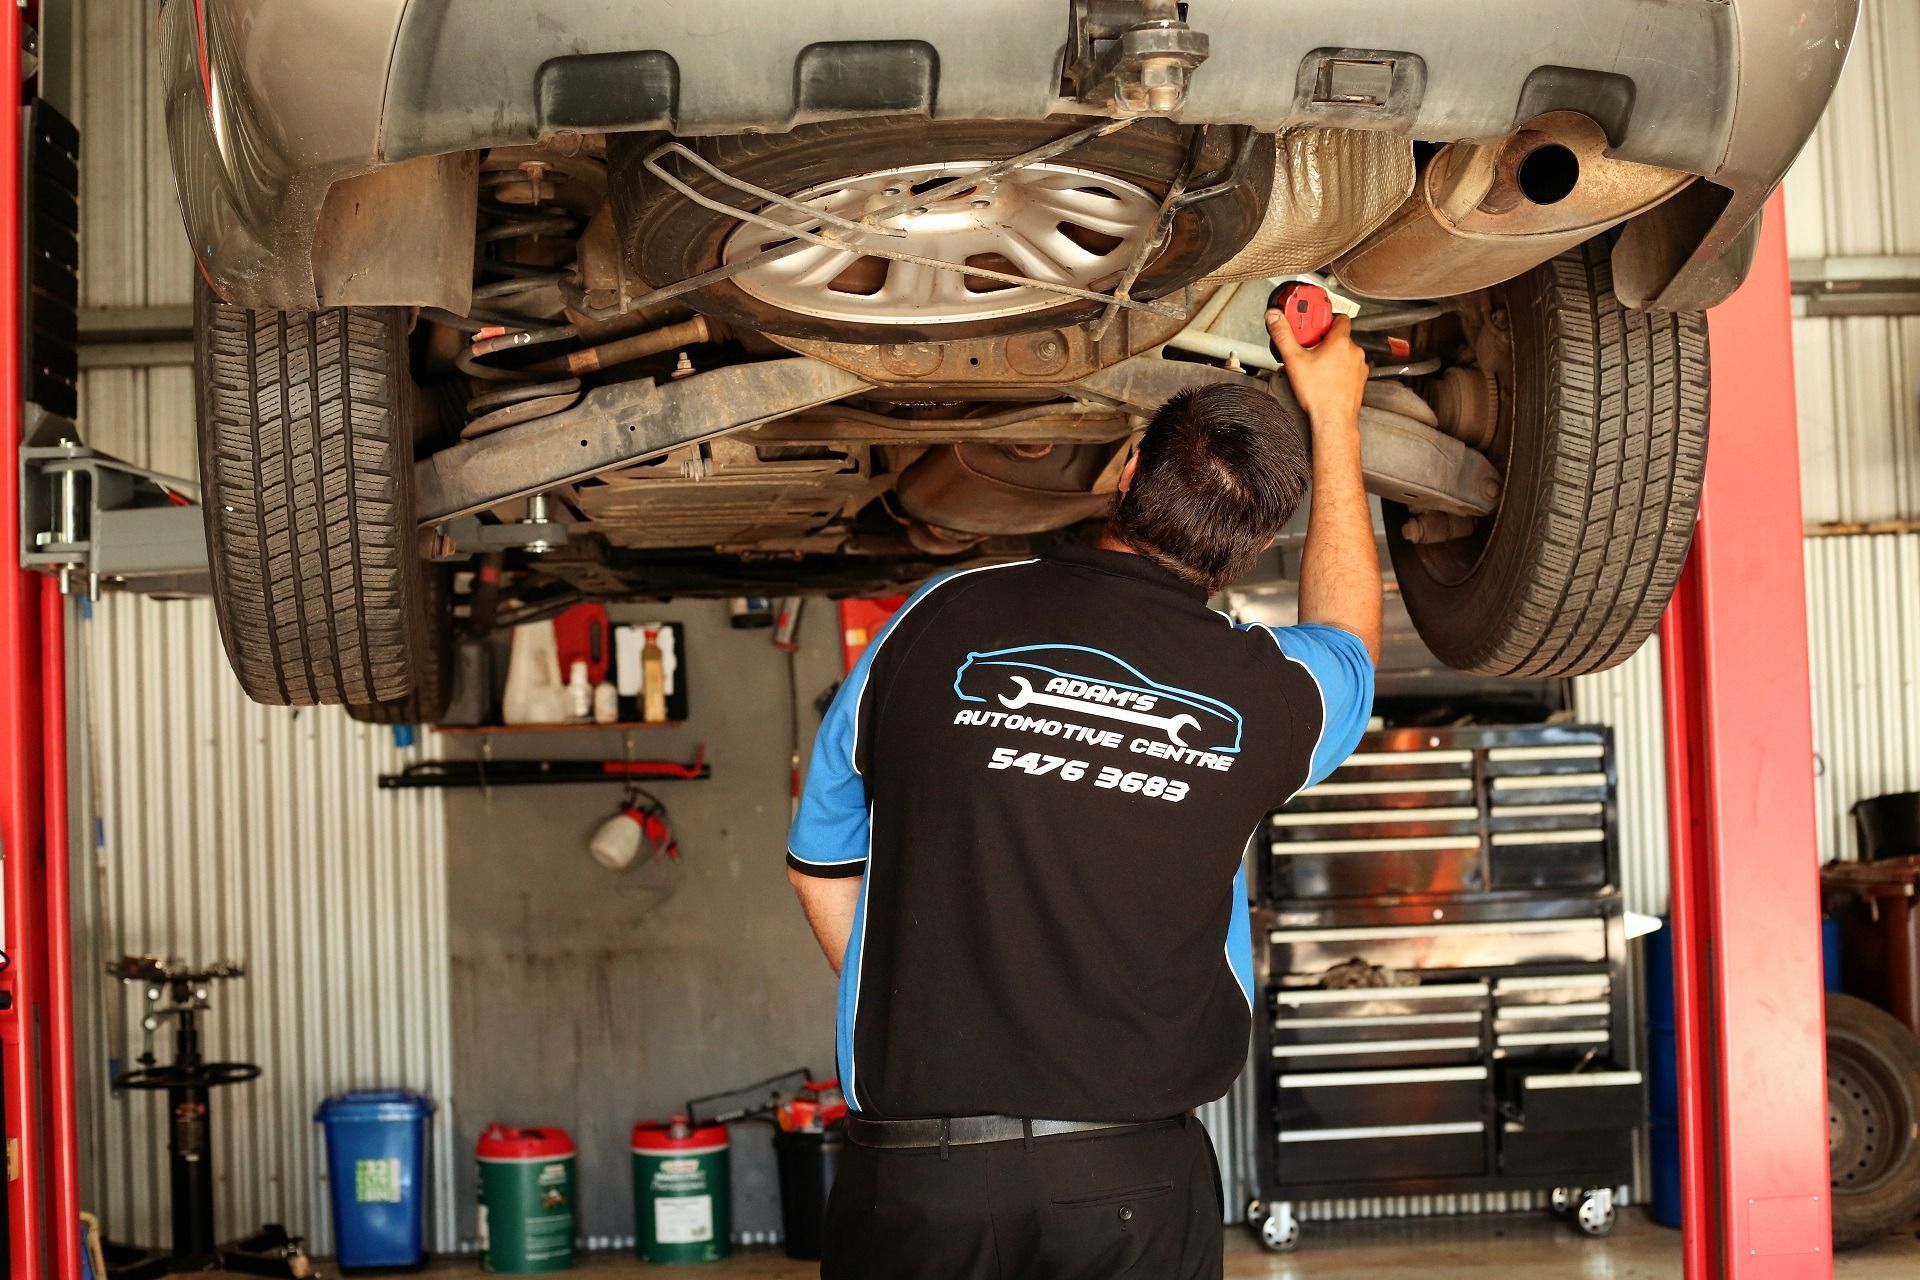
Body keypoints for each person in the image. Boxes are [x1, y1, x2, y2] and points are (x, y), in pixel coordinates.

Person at [785, 308, 1381, 1279]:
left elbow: (821, 871)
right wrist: (1336, 415)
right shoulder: (1269, 694)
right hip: (1130, 1181)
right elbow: (1349, 632)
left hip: (917, 1181)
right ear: (1261, 542)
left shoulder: (938, 620)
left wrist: (936, 1002)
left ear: (1125, 470)